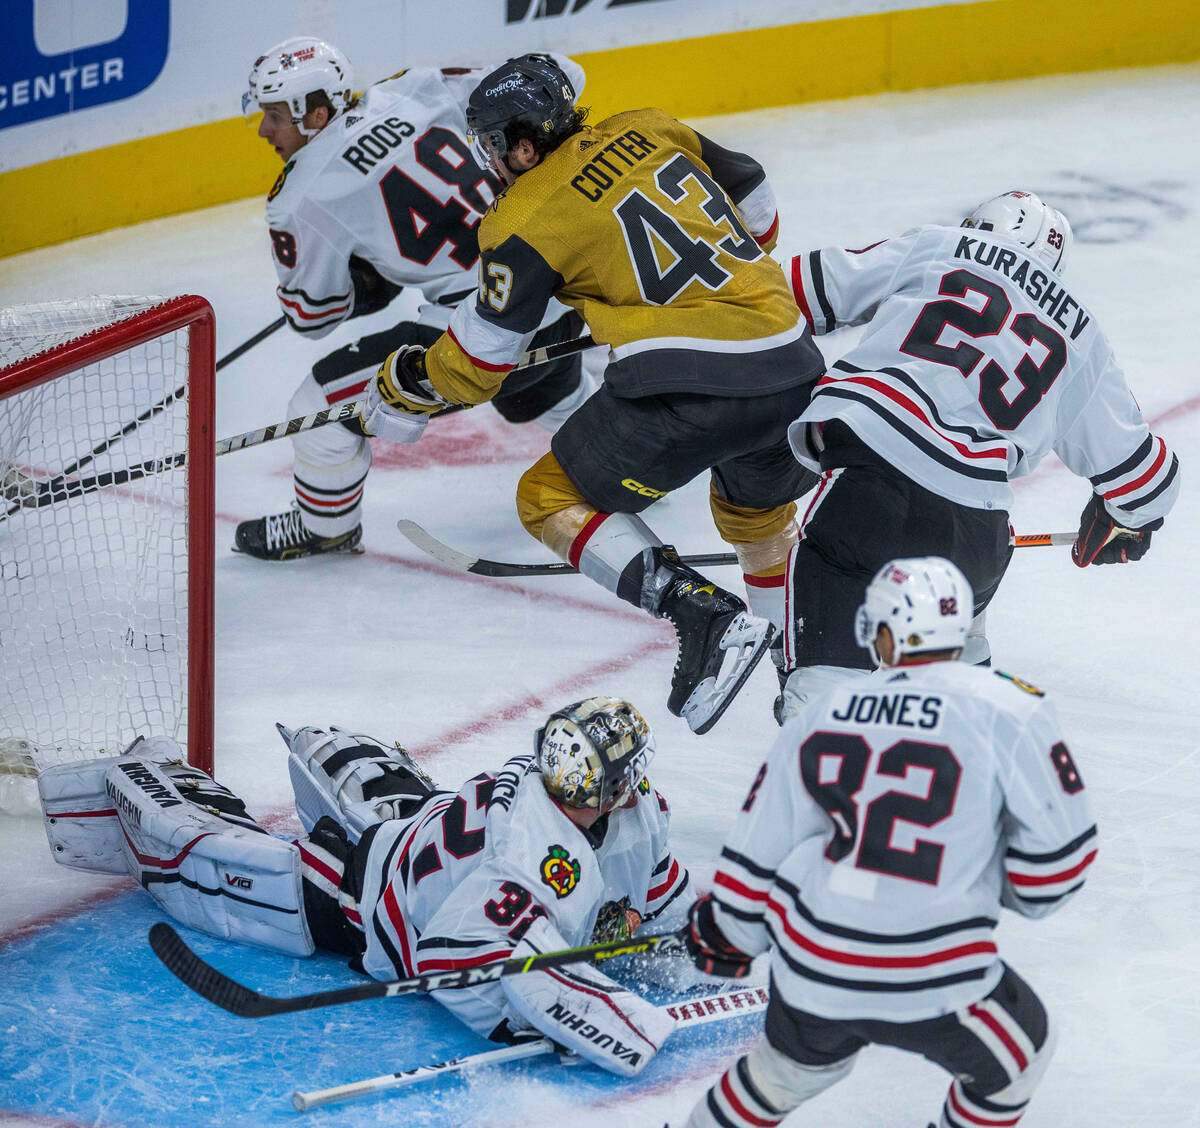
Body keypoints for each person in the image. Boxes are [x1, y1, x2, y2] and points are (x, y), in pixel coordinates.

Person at [362, 54, 826, 733]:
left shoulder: (522, 217)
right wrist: (719, 283)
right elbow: (753, 194)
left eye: (492, 146)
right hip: (791, 362)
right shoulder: (652, 127)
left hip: (689, 386)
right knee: (755, 521)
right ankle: (807, 675)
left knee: (547, 497)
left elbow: (479, 362)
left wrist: (406, 383)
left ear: (523, 143)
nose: (490, 162)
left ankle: (701, 615)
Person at [38, 696, 692, 1076]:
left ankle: (325, 749)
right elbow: (448, 954)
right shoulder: (527, 861)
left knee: (342, 754)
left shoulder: (579, 794)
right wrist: (536, 1024)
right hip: (350, 895)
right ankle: (147, 767)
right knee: (189, 861)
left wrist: (685, 939)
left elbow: (668, 900)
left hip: (413, 818)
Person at [680, 557, 1097, 1128]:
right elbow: (1053, 872)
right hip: (936, 973)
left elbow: (758, 850)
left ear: (880, 632)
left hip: (815, 966)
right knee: (1017, 1061)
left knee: (782, 1074)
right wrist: (982, 884)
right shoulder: (1012, 707)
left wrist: (729, 934)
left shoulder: (825, 711)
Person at [776, 190, 1180, 720]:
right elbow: (1144, 482)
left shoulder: (940, 244)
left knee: (823, 699)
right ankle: (966, 744)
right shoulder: (1082, 335)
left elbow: (788, 294)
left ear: (981, 225)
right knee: (961, 642)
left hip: (866, 485)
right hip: (974, 530)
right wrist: (1122, 523)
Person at [234, 39, 594, 560]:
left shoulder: (298, 196)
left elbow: (313, 315)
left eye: (272, 117)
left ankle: (325, 526)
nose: (265, 131)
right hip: (562, 294)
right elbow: (566, 74)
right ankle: (615, 463)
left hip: (478, 336)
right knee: (535, 390)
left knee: (316, 406)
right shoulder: (422, 85)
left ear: (313, 113)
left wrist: (368, 282)